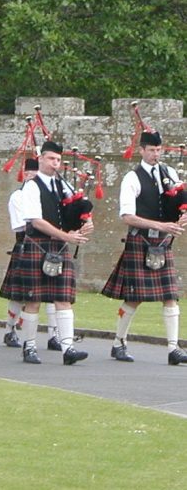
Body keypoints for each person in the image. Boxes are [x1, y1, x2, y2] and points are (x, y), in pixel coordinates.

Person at [0, 140, 93, 365]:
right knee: (33, 301)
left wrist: (86, 222)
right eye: (51, 159)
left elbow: (79, 209)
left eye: (58, 160)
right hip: (38, 245)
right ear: (40, 159)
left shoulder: (64, 186)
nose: (55, 164)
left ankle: (68, 348)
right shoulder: (32, 186)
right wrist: (67, 237)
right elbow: (36, 221)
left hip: (58, 247)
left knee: (64, 299)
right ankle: (29, 346)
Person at [102, 131, 187, 365]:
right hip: (140, 241)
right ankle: (118, 342)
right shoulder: (132, 178)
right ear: (141, 150)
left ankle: (174, 348)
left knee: (170, 296)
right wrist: (160, 224)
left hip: (162, 242)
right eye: (151, 150)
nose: (156, 154)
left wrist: (182, 216)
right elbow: (127, 216)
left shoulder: (169, 173)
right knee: (134, 297)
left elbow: (180, 202)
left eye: (159, 150)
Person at [0, 157, 60, 350]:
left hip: (51, 247)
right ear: (24, 174)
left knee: (54, 293)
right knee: (19, 295)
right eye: (30, 173)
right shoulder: (18, 196)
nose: (34, 177)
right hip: (27, 246)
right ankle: (10, 329)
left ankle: (54, 335)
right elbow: (21, 226)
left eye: (36, 173)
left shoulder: (51, 192)